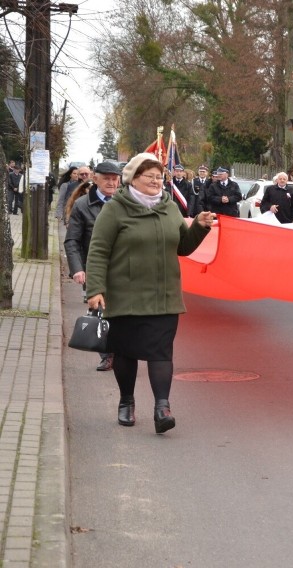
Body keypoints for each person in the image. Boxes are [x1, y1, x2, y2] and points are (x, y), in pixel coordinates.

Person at [85, 152, 216, 434]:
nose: (157, 181)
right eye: (150, 177)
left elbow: (183, 246)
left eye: (159, 177)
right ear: (134, 178)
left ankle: (162, 408)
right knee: (126, 352)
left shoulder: (169, 208)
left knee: (161, 353)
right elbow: (98, 250)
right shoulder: (116, 209)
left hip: (164, 295)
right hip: (125, 295)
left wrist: (200, 229)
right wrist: (95, 288)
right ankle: (127, 401)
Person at [64, 162, 122, 372]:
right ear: (95, 178)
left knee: (122, 313)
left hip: (123, 269)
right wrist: (77, 268)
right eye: (106, 178)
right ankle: (107, 354)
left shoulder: (126, 203)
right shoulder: (82, 205)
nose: (111, 182)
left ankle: (122, 352)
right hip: (95, 268)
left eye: (115, 178)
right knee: (101, 312)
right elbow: (72, 241)